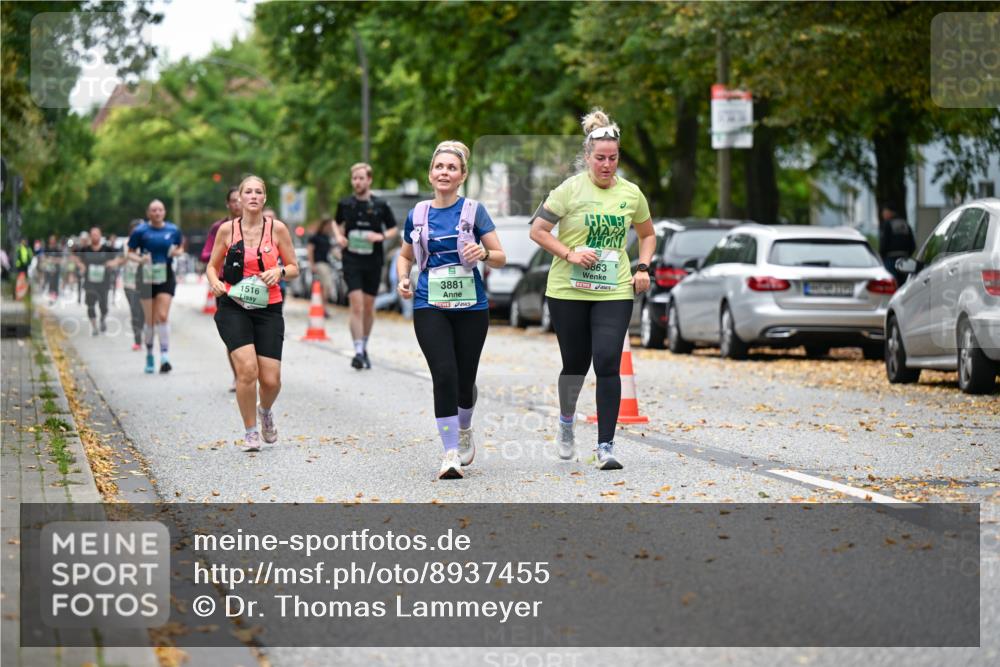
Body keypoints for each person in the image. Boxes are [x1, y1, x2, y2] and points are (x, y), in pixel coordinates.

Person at [528, 108, 655, 471]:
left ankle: (605, 445)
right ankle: (566, 422)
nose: (606, 165)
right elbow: (537, 231)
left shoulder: (631, 194)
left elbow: (647, 235)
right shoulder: (569, 189)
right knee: (575, 364)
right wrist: (570, 252)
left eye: (613, 158)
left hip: (613, 289)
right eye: (600, 158)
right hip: (568, 289)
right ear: (587, 158)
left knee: (606, 362)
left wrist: (642, 266)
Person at [396, 141, 507, 479]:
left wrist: (483, 255)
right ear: (431, 174)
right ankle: (449, 453)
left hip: (471, 306)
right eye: (439, 167)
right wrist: (403, 278)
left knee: (464, 379)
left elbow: (500, 257)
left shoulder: (475, 211)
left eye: (451, 168)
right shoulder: (417, 213)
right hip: (430, 302)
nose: (444, 172)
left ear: (462, 176)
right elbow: (404, 255)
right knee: (443, 374)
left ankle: (464, 428)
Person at [206, 175, 300, 453]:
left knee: (271, 380)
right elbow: (212, 266)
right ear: (240, 198)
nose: (253, 196)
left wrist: (279, 271)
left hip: (268, 308)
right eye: (248, 192)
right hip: (234, 306)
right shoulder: (227, 230)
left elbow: (294, 267)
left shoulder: (278, 229)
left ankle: (265, 410)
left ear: (265, 198)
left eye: (259, 192)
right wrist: (215, 282)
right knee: (247, 370)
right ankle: (250, 432)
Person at [335, 163, 398, 369]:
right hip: (351, 259)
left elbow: (393, 230)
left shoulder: (380, 205)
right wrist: (339, 237)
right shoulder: (345, 204)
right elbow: (336, 223)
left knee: (369, 306)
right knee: (357, 304)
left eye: (361, 178)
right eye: (354, 178)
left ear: (369, 180)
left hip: (373, 260)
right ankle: (358, 350)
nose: (357, 182)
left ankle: (364, 344)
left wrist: (379, 236)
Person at [128, 199, 184, 374]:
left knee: (162, 316)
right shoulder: (140, 231)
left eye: (160, 210)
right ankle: (150, 355)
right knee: (150, 319)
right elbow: (130, 253)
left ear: (164, 212)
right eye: (153, 210)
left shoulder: (173, 230)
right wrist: (141, 259)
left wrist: (176, 252)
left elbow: (181, 248)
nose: (157, 213)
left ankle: (165, 356)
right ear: (148, 213)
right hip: (146, 275)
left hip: (165, 274)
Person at [201, 187, 243, 390]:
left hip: (250, 285)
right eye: (233, 201)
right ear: (228, 204)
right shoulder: (219, 227)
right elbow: (206, 254)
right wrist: (225, 254)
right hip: (226, 286)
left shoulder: (254, 225)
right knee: (232, 333)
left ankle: (252, 373)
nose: (237, 204)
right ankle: (237, 375)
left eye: (239, 200)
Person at [73, 226, 122, 335]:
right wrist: (81, 265)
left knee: (103, 305)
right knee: (90, 305)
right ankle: (94, 327)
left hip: (104, 281)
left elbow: (119, 257)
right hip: (89, 281)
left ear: (100, 236)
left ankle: (102, 319)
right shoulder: (85, 249)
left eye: (97, 234)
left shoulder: (107, 249)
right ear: (90, 236)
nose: (95, 236)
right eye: (93, 234)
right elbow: (75, 257)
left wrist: (112, 263)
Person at [122, 220, 147, 351]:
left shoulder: (148, 242)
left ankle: (141, 331)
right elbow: (128, 255)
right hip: (130, 283)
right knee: (135, 311)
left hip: (144, 282)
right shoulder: (127, 243)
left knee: (143, 312)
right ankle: (137, 340)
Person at [878, 204, 915, 284]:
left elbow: (884, 243)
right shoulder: (905, 224)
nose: (883, 215)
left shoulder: (887, 224)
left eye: (884, 212)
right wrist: (907, 255)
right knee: (904, 284)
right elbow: (912, 244)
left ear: (889, 212)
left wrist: (881, 256)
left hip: (890, 259)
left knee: (892, 283)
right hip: (904, 259)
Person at [307, 218, 337, 317]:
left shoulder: (327, 237)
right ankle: (323, 308)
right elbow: (310, 250)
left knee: (325, 287)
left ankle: (323, 307)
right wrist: (312, 264)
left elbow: (332, 251)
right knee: (326, 285)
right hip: (319, 263)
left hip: (326, 263)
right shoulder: (315, 237)